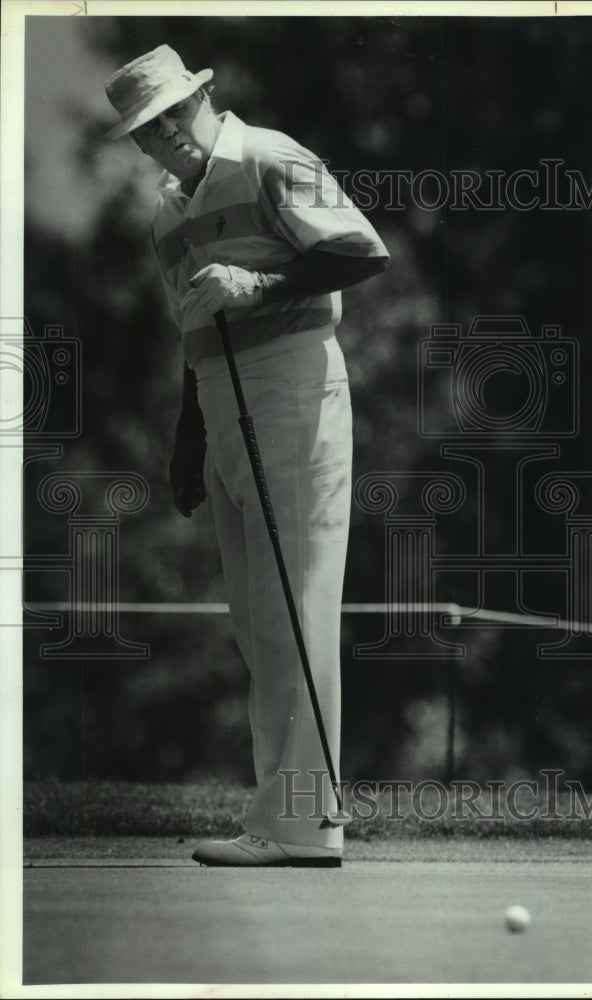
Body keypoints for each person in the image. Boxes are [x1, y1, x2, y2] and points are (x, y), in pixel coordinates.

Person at [104, 44, 389, 866]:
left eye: (171, 118)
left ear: (201, 98)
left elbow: (362, 250)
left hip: (293, 382)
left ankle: (302, 827)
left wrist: (260, 283)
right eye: (146, 133)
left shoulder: (268, 154)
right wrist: (187, 438)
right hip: (221, 396)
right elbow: (194, 328)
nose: (165, 139)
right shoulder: (169, 213)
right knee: (257, 617)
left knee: (293, 604)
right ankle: (283, 819)